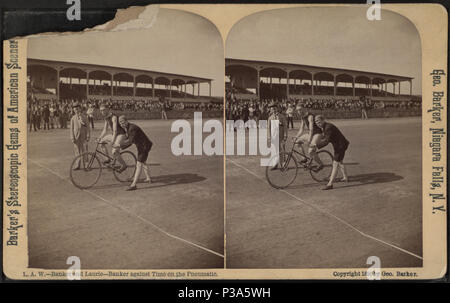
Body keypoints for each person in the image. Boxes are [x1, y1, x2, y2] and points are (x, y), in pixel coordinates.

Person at [313, 115, 349, 190]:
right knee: (340, 162)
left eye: (319, 122)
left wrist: (316, 146)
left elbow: (326, 141)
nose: (318, 124)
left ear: (323, 120)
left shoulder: (328, 127)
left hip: (340, 146)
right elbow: (325, 137)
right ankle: (345, 177)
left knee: (335, 164)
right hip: (339, 145)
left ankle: (330, 184)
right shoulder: (325, 126)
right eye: (316, 123)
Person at [118, 116, 153, 191]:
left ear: (126, 121)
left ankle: (134, 184)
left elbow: (130, 141)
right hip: (142, 146)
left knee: (139, 164)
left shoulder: (132, 128)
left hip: (144, 146)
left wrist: (119, 146)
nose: (122, 124)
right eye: (120, 123)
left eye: (123, 122)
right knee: (143, 162)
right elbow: (130, 139)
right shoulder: (128, 128)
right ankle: (148, 178)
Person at [97, 103, 127, 172]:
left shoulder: (113, 117)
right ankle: (107, 159)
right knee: (101, 142)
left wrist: (112, 142)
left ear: (108, 109)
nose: (102, 112)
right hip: (114, 134)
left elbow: (115, 130)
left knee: (114, 151)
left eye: (104, 110)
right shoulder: (106, 117)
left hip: (121, 134)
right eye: (101, 110)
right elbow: (105, 129)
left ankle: (124, 165)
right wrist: (99, 137)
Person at [267, 102, 288, 170]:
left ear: (277, 109)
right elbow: (268, 128)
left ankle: (283, 165)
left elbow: (285, 126)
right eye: (272, 109)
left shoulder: (282, 117)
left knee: (282, 150)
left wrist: (285, 135)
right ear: (271, 110)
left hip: (281, 137)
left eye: (275, 109)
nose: (274, 110)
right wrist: (269, 137)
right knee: (274, 151)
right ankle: (275, 164)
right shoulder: (270, 118)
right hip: (274, 137)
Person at [70, 102, 90, 170]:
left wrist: (88, 136)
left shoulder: (84, 117)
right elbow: (71, 129)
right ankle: (77, 165)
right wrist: (72, 137)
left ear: (80, 109)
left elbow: (88, 127)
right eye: (75, 109)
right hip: (76, 137)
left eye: (77, 109)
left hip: (83, 137)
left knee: (85, 151)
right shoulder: (73, 118)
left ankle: (86, 165)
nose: (76, 110)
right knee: (77, 152)